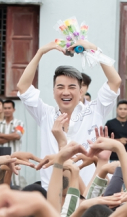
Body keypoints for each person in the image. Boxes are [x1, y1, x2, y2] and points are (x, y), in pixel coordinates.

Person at [17, 39, 121, 188]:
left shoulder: (94, 111)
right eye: (60, 87)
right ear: (53, 92)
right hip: (53, 193)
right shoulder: (46, 114)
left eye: (72, 87)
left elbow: (115, 81)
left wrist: (93, 49)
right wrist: (41, 52)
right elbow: (23, 87)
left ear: (80, 92)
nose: (66, 92)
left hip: (89, 193)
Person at [0, 100, 25, 185]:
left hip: (15, 158)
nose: (7, 110)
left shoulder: (20, 123)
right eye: (5, 108)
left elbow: (18, 136)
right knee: (0, 181)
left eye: (9, 108)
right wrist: (11, 136)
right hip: (1, 158)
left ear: (14, 109)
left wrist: (1, 135)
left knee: (15, 182)